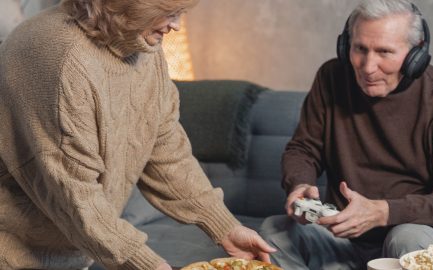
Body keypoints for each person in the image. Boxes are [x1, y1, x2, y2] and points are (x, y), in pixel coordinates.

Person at [0, 0, 276, 269]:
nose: (177, 26)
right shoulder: (54, 55)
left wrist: (225, 227)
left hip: (76, 249)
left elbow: (164, 145)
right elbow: (73, 191)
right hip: (13, 255)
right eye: (168, 13)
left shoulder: (139, 43)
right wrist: (146, 262)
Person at [260, 0, 433, 269]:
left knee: (406, 238)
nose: (368, 66)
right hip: (342, 238)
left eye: (384, 51)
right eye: (360, 48)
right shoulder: (331, 77)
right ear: (345, 45)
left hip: (409, 238)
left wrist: (383, 211)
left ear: (416, 55)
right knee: (276, 230)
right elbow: (303, 149)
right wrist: (300, 185)